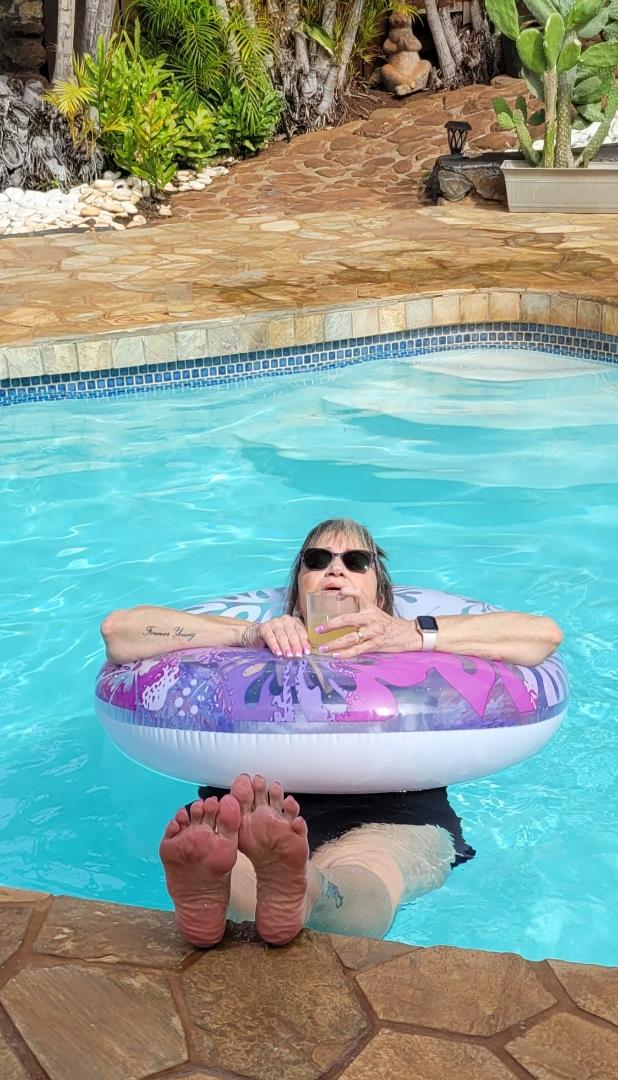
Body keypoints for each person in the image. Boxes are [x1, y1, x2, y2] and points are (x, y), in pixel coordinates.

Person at [101, 518, 563, 948]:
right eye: (317, 560)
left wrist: (412, 634)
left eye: (356, 561)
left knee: (373, 867)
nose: (335, 571)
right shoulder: (260, 640)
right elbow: (120, 632)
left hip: (396, 801)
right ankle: (221, 892)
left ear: (379, 592)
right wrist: (250, 636)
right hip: (255, 799)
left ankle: (301, 893)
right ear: (298, 587)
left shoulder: (409, 640)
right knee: (234, 852)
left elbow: (542, 635)